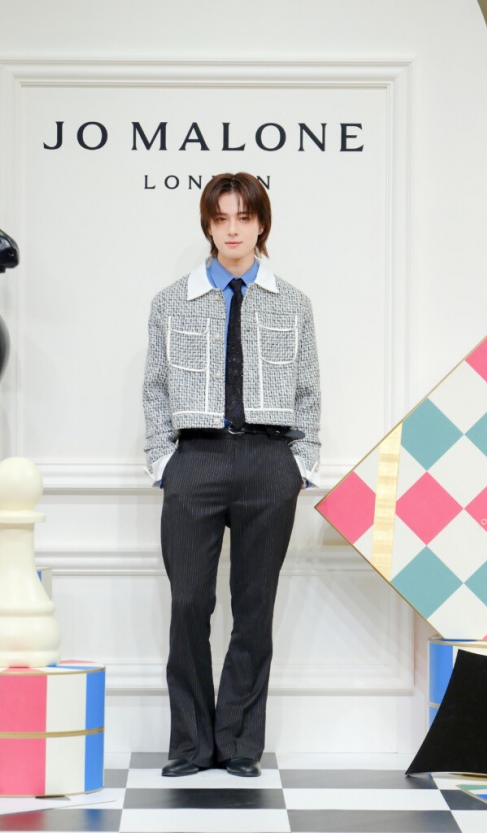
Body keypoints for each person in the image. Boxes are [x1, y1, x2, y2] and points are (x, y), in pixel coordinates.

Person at [143, 172, 320, 778]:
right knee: (189, 603)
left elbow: (308, 389)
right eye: (221, 219)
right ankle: (191, 745)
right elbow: (155, 388)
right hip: (195, 461)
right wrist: (164, 462)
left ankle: (240, 745)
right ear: (209, 226)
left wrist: (299, 463)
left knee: (255, 606)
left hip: (269, 463)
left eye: (244, 217)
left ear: (261, 224)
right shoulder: (171, 301)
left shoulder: (292, 303)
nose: (233, 229)